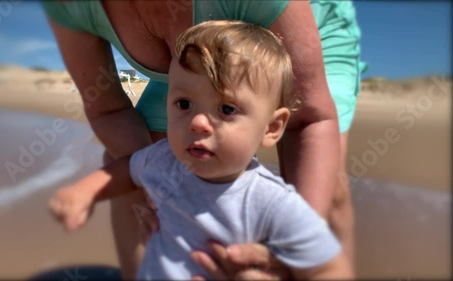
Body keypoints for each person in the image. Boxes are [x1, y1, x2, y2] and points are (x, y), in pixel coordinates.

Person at [42, 1, 365, 279]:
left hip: (313, 24)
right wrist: (90, 192)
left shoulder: (275, 203)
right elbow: (118, 135)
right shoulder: (160, 161)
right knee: (134, 186)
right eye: (183, 106)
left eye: (227, 109)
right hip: (193, 64)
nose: (197, 122)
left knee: (327, 191)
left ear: (271, 127)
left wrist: (290, 259)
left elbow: (309, 117)